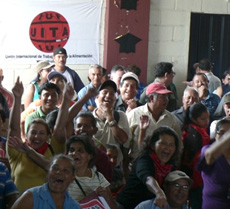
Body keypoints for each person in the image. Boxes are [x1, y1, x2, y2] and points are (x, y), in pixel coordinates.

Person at [7, 77, 74, 194]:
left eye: (42, 133)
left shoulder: (53, 151)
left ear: (49, 136)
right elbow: (14, 128)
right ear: (26, 135)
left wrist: (66, 100)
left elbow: (60, 128)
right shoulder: (17, 149)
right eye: (33, 133)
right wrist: (17, 98)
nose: (37, 137)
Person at [116, 126, 181, 209]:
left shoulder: (171, 166)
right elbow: (148, 179)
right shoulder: (144, 160)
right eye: (163, 143)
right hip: (126, 206)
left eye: (171, 145)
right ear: (152, 145)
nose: (168, 148)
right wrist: (159, 192)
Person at [127, 82, 182, 160]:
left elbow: (179, 145)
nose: (167, 100)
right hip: (137, 162)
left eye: (167, 96)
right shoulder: (134, 115)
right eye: (163, 97)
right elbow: (126, 144)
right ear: (151, 98)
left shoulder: (171, 119)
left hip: (163, 166)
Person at [11, 154, 81, 209]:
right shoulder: (30, 197)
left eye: (65, 170)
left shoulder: (75, 206)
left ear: (72, 178)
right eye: (55, 168)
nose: (59, 172)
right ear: (48, 172)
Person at [67, 135, 117, 209]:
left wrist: (106, 197)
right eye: (71, 150)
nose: (75, 153)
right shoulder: (64, 178)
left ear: (90, 156)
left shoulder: (99, 177)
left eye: (80, 150)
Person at [93, 80, 130, 167]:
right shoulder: (89, 119)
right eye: (105, 92)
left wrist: (110, 117)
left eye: (112, 94)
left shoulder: (120, 116)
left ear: (115, 99)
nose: (108, 96)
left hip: (115, 167)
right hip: (94, 168)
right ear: (97, 96)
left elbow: (123, 139)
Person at [181, 102, 210, 209]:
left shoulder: (199, 130)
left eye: (208, 118)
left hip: (199, 174)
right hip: (196, 175)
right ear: (194, 119)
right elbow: (193, 158)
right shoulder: (192, 133)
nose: (207, 121)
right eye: (203, 119)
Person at [197, 119, 230, 209]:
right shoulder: (207, 150)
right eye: (222, 133)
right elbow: (210, 156)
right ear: (215, 135)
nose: (225, 137)